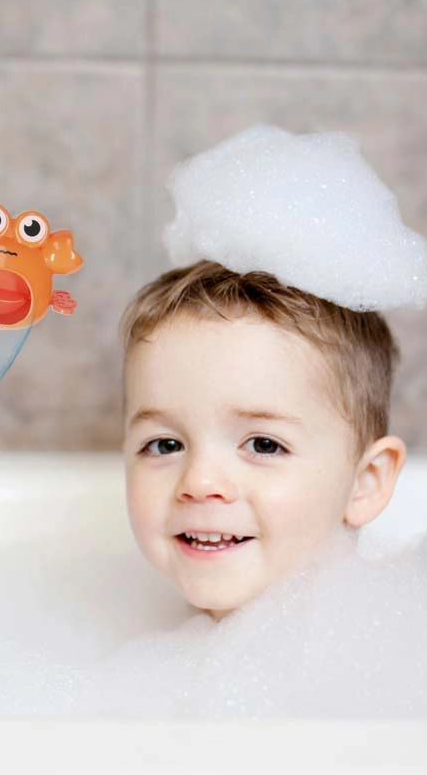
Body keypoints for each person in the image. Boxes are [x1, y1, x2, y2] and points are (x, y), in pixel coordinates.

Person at [120, 258, 407, 620]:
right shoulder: (134, 626)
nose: (199, 482)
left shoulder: (372, 644)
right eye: (166, 445)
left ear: (365, 482)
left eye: (263, 445)